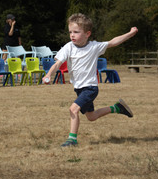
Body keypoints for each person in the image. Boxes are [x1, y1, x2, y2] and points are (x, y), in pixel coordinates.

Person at [42, 13, 138, 147]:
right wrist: (49, 74)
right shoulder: (68, 47)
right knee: (91, 117)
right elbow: (58, 63)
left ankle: (72, 140)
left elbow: (112, 42)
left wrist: (130, 34)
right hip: (79, 88)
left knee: (73, 109)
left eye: (76, 32)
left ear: (87, 34)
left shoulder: (94, 47)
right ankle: (116, 108)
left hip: (90, 87)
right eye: (70, 32)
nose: (72, 35)